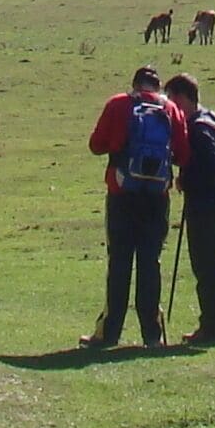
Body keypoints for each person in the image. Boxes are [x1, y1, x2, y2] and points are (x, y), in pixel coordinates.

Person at [81, 63, 176, 348]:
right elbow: (182, 153)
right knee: (150, 262)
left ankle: (109, 333)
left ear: (135, 84)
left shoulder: (118, 104)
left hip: (122, 194)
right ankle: (152, 335)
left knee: (119, 262)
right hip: (157, 198)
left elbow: (96, 144)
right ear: (158, 87)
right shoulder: (170, 110)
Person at [165, 72, 215, 343]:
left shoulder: (197, 129)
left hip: (206, 206)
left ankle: (213, 326)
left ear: (181, 98)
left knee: (207, 265)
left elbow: (209, 166)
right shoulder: (213, 119)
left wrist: (186, 180)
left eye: (172, 99)